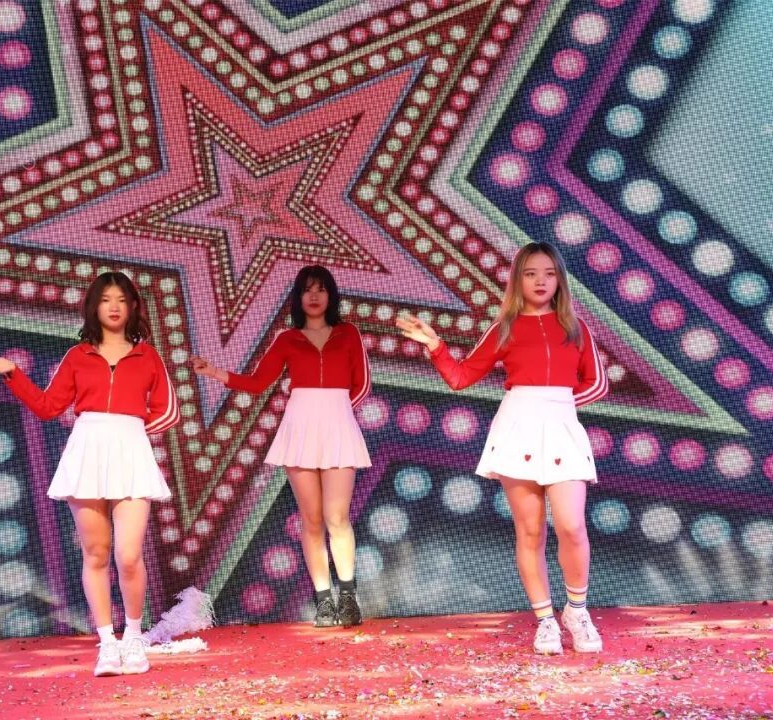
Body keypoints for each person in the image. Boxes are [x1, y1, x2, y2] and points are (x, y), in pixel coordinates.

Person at [396, 242, 608, 654]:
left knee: (571, 526)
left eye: (548, 273)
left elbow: (596, 384)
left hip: (562, 430)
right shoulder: (504, 328)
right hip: (517, 432)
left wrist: (556, 406)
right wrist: (435, 345)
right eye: (530, 273)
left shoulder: (576, 327)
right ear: (517, 280)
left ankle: (577, 612)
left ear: (560, 280)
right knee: (530, 531)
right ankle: (545, 621)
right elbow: (460, 378)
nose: (540, 281)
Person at [0, 271, 179, 676]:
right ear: (93, 307)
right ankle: (107, 644)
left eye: (121, 299)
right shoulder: (77, 355)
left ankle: (133, 638)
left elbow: (168, 411)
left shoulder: (148, 356)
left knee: (128, 555)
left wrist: (131, 431)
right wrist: (13, 373)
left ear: (133, 306)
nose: (114, 307)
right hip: (87, 451)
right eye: (105, 299)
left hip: (130, 453)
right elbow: (48, 407)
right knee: (96, 553)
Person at [191, 265, 371, 628]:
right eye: (307, 290)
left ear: (331, 295)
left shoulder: (348, 333)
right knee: (311, 519)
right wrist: (215, 372)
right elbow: (258, 382)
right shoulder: (287, 339)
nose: (314, 296)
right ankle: (324, 600)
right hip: (299, 429)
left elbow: (362, 384)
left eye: (321, 289)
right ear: (298, 297)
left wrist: (335, 413)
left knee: (337, 517)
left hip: (338, 428)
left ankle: (348, 597)